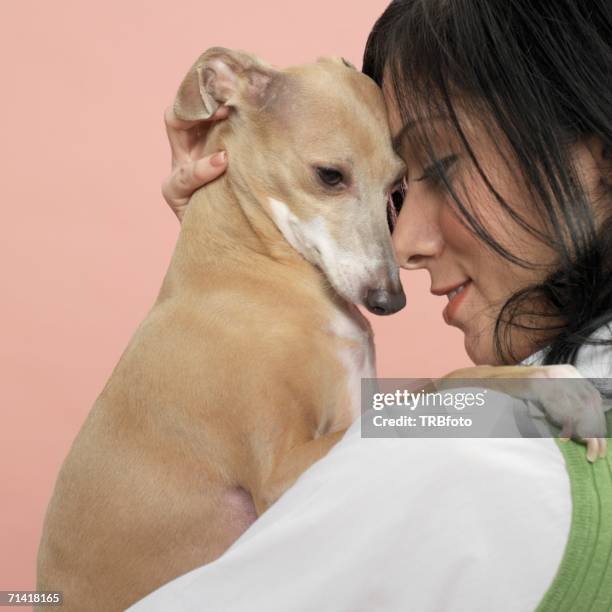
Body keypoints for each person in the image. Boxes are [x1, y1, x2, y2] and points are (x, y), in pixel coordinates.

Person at [132, 1, 612, 609]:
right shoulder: (548, 412)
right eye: (403, 191)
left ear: (603, 159)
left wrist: (465, 398)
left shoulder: (462, 463)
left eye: (439, 166)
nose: (402, 243)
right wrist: (242, 261)